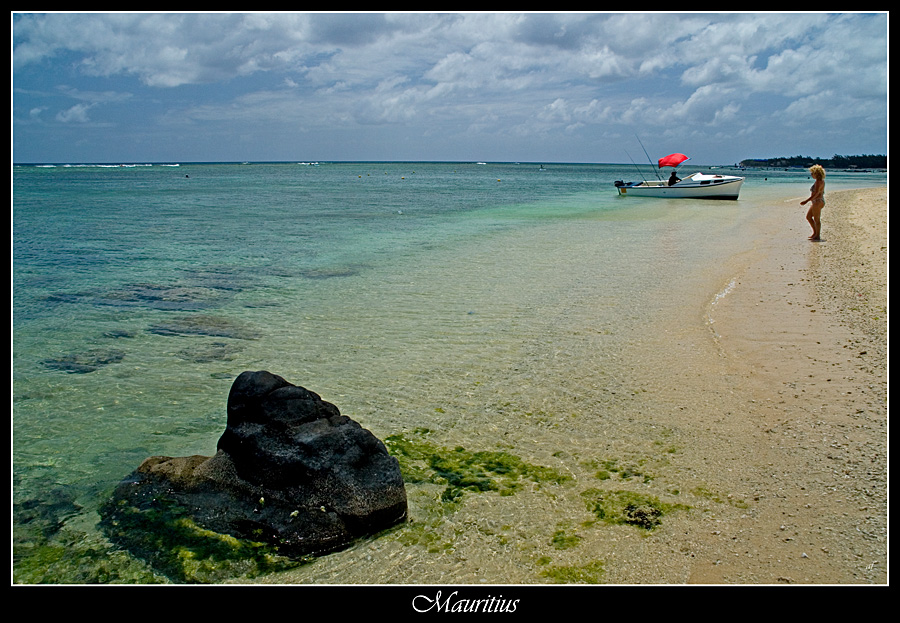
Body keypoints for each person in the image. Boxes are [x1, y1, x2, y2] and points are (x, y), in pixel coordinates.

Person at [800, 164, 826, 240]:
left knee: (817, 219)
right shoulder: (819, 181)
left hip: (818, 201)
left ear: (816, 174)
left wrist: (806, 201)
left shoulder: (819, 182)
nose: (811, 175)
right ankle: (815, 233)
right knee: (808, 217)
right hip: (816, 201)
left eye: (812, 173)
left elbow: (817, 193)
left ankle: (817, 235)